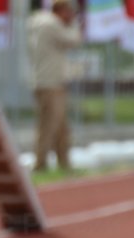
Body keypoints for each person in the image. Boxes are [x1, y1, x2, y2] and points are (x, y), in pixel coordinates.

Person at [27, 0, 81, 173]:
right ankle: (40, 163)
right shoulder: (51, 25)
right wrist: (75, 24)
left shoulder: (39, 23)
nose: (70, 16)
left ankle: (63, 162)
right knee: (48, 126)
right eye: (69, 12)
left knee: (61, 127)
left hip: (47, 81)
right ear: (60, 10)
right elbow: (73, 40)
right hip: (50, 83)